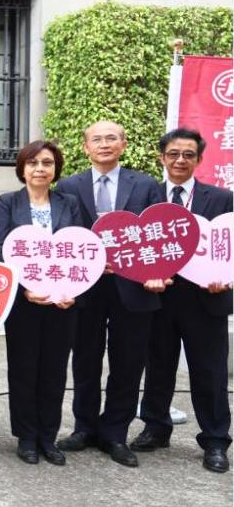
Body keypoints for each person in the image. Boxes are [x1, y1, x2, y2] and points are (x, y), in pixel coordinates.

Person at [55, 121, 164, 468]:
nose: (104, 144)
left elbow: (159, 234)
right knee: (84, 358)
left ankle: (115, 432)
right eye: (97, 139)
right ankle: (84, 428)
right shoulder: (68, 186)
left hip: (133, 286)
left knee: (128, 361)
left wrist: (154, 272)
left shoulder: (146, 185)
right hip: (86, 285)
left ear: (123, 144)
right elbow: (64, 234)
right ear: (85, 147)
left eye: (111, 138)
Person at [132, 128, 233, 473]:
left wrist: (227, 279)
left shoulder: (221, 198)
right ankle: (156, 427)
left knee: (209, 372)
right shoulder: (147, 197)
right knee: (158, 366)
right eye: (173, 154)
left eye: (188, 154)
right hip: (158, 297)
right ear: (162, 158)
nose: (180, 160)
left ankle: (215, 440)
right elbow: (136, 244)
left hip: (206, 298)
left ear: (199, 160)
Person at [0, 140, 82, 466]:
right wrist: (26, 288)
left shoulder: (69, 203)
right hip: (24, 302)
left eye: (47, 163)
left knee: (54, 371)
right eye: (33, 163)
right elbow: (1, 247)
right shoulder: (7, 202)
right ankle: (27, 437)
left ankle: (48, 437)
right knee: (23, 370)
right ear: (22, 168)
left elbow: (79, 246)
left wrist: (71, 289)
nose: (40, 169)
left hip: (62, 303)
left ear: (55, 169)